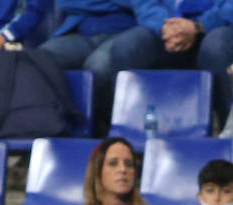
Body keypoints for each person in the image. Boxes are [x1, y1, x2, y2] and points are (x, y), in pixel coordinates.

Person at [96, 1, 233, 130]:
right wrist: (166, 27)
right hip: (172, 27)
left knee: (216, 46)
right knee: (128, 46)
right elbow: (145, 3)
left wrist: (198, 26)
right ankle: (131, 139)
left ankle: (231, 134)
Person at [38, 0, 171, 134]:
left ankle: (102, 132)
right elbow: (67, 3)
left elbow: (145, 5)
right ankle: (48, 127)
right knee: (40, 58)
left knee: (99, 65)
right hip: (81, 34)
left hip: (126, 33)